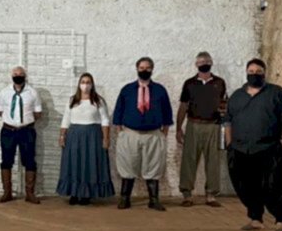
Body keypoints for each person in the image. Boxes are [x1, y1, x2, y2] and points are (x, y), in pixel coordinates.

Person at [225, 59, 282, 231]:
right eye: (251, 70)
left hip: (269, 148)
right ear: (246, 72)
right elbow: (227, 120)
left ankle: (281, 220)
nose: (254, 73)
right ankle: (255, 218)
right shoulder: (237, 96)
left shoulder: (277, 93)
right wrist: (229, 143)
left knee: (275, 185)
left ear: (265, 73)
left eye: (258, 71)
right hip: (241, 149)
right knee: (247, 185)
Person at [112, 57, 173, 211]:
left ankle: (154, 200)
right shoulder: (127, 89)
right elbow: (118, 111)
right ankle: (125, 198)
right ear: (136, 68)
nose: (144, 70)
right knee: (128, 165)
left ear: (152, 69)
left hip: (153, 134)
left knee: (153, 166)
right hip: (130, 133)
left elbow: (167, 112)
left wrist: (164, 132)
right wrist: (121, 132)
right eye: (141, 67)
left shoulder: (160, 90)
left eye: (147, 67)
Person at [176, 51, 228, 208]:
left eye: (206, 60)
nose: (204, 63)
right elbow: (183, 106)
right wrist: (179, 128)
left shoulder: (220, 82)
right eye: (200, 61)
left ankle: (211, 195)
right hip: (193, 125)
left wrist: (225, 126)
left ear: (211, 62)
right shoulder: (189, 83)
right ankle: (187, 194)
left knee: (213, 161)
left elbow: (224, 104)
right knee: (189, 160)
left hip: (213, 125)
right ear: (196, 65)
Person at [57, 72, 114, 205]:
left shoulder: (98, 100)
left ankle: (87, 194)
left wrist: (106, 138)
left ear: (92, 84)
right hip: (74, 135)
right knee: (74, 163)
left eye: (88, 82)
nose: (85, 85)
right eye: (83, 82)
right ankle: (74, 193)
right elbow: (66, 119)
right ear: (79, 84)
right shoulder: (72, 100)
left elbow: (105, 120)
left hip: (93, 135)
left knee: (90, 163)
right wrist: (62, 135)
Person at [0, 66, 42, 204]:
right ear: (11, 76)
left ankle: (30, 193)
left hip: (27, 131)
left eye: (21, 74)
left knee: (30, 161)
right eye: (15, 74)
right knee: (6, 161)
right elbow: (0, 111)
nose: (18, 76)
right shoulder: (4, 92)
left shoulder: (33, 93)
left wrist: (25, 121)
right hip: (8, 131)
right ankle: (7, 192)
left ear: (25, 76)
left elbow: (38, 113)